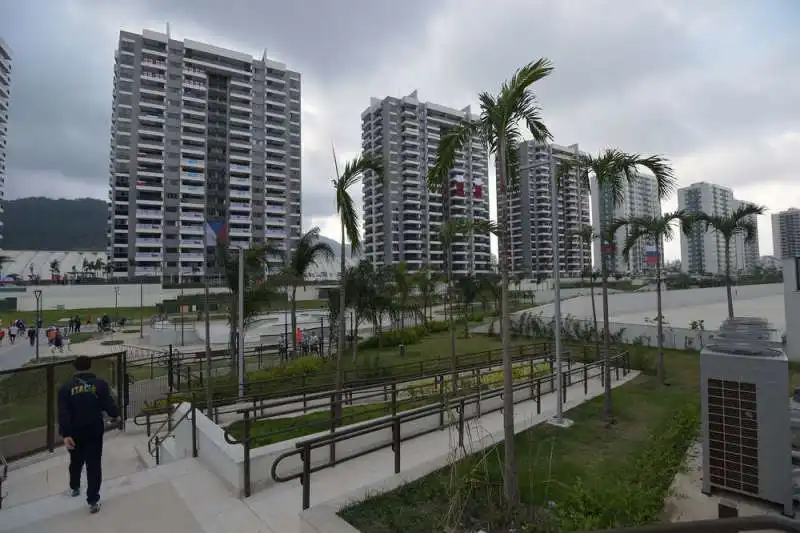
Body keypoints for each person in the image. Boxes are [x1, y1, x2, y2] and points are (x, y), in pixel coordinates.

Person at [58, 355, 119, 514]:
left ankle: (75, 486)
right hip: (94, 430)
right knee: (93, 464)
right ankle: (92, 500)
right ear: (90, 366)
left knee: (76, 461)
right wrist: (114, 413)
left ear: (75, 368)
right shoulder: (99, 385)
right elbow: (110, 406)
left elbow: (63, 413)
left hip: (75, 431)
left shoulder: (66, 388)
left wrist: (65, 434)